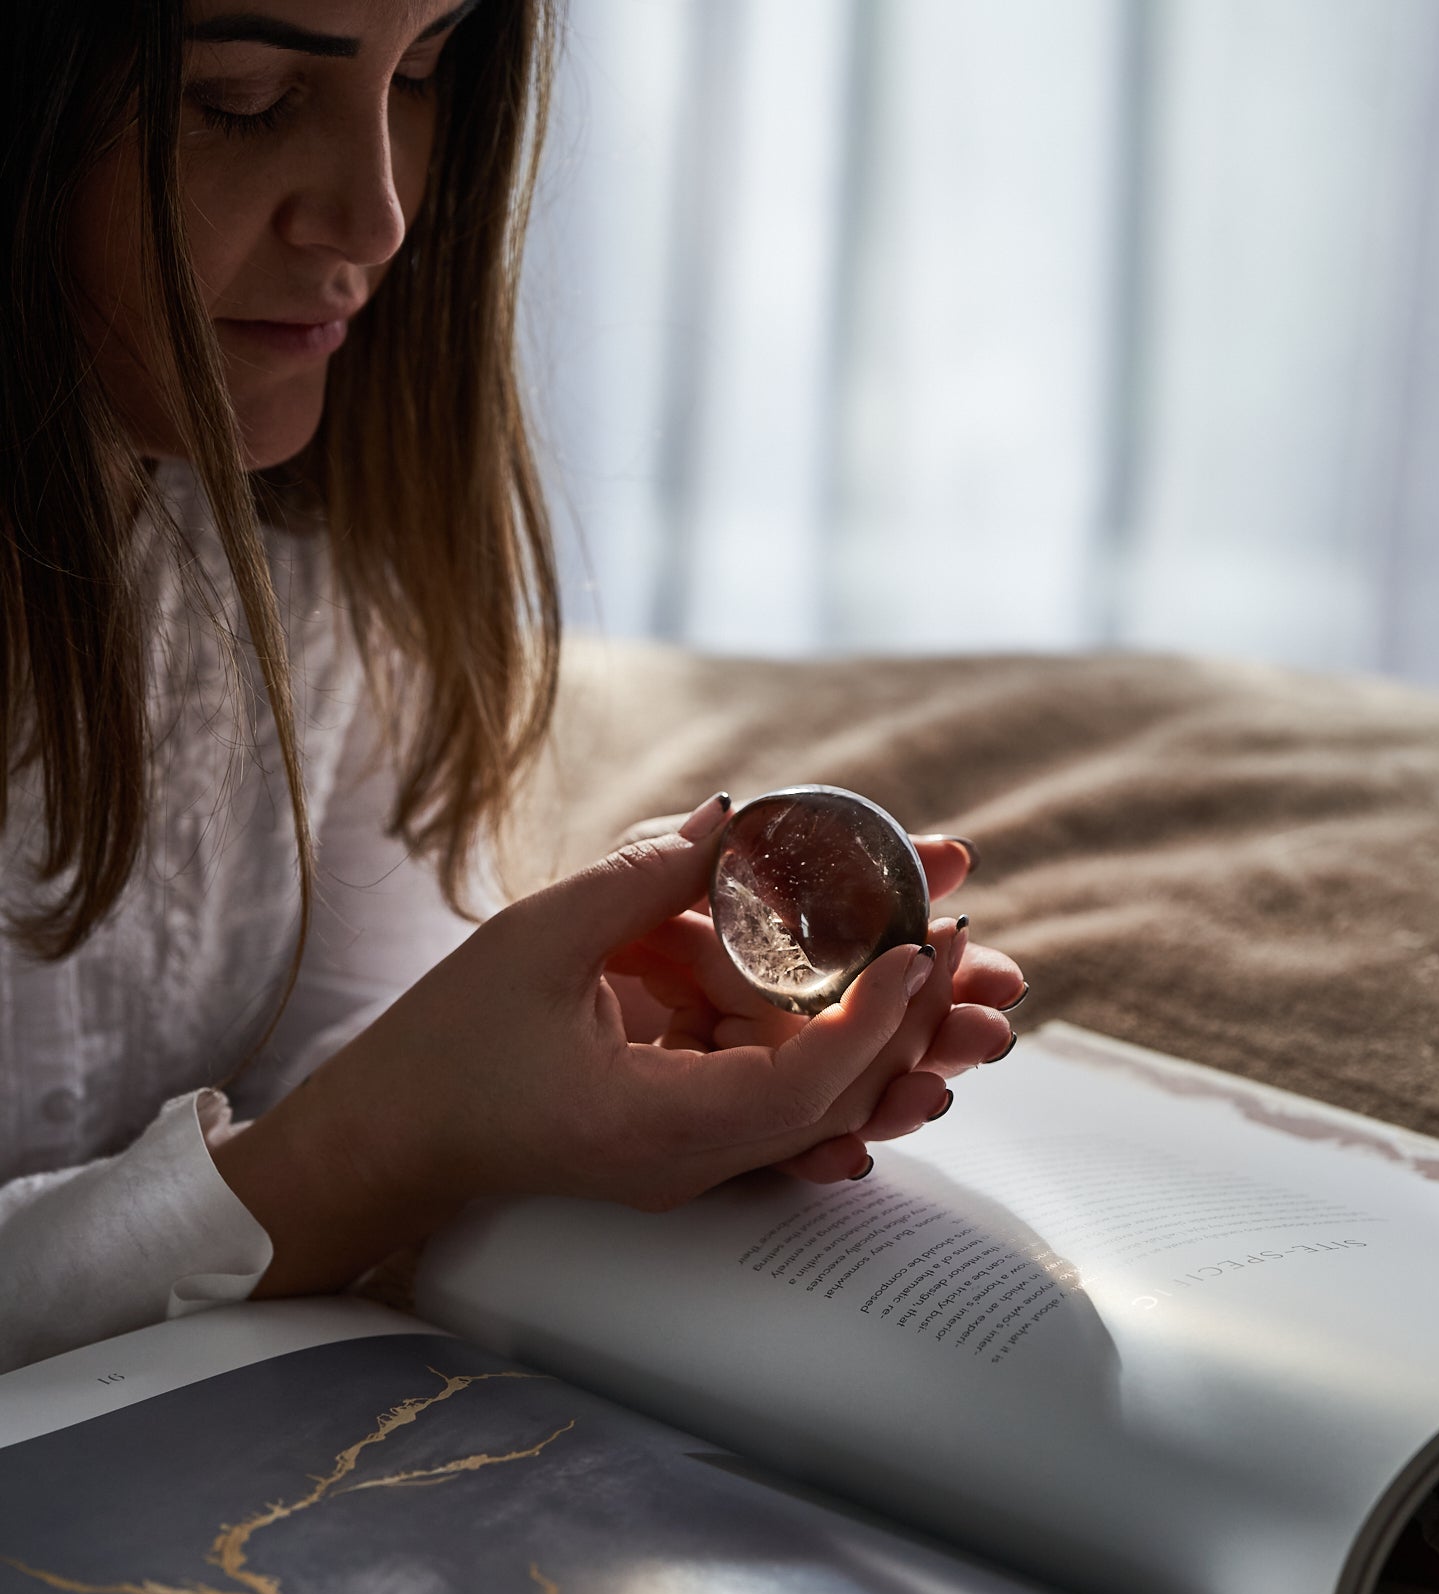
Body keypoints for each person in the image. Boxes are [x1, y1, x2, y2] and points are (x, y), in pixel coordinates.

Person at [0, 0, 1024, 1370]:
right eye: (238, 98)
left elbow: (330, 1043)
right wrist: (380, 1143)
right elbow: (341, 1133)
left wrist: (577, 1053)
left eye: (423, 73)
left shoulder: (320, 561)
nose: (378, 220)